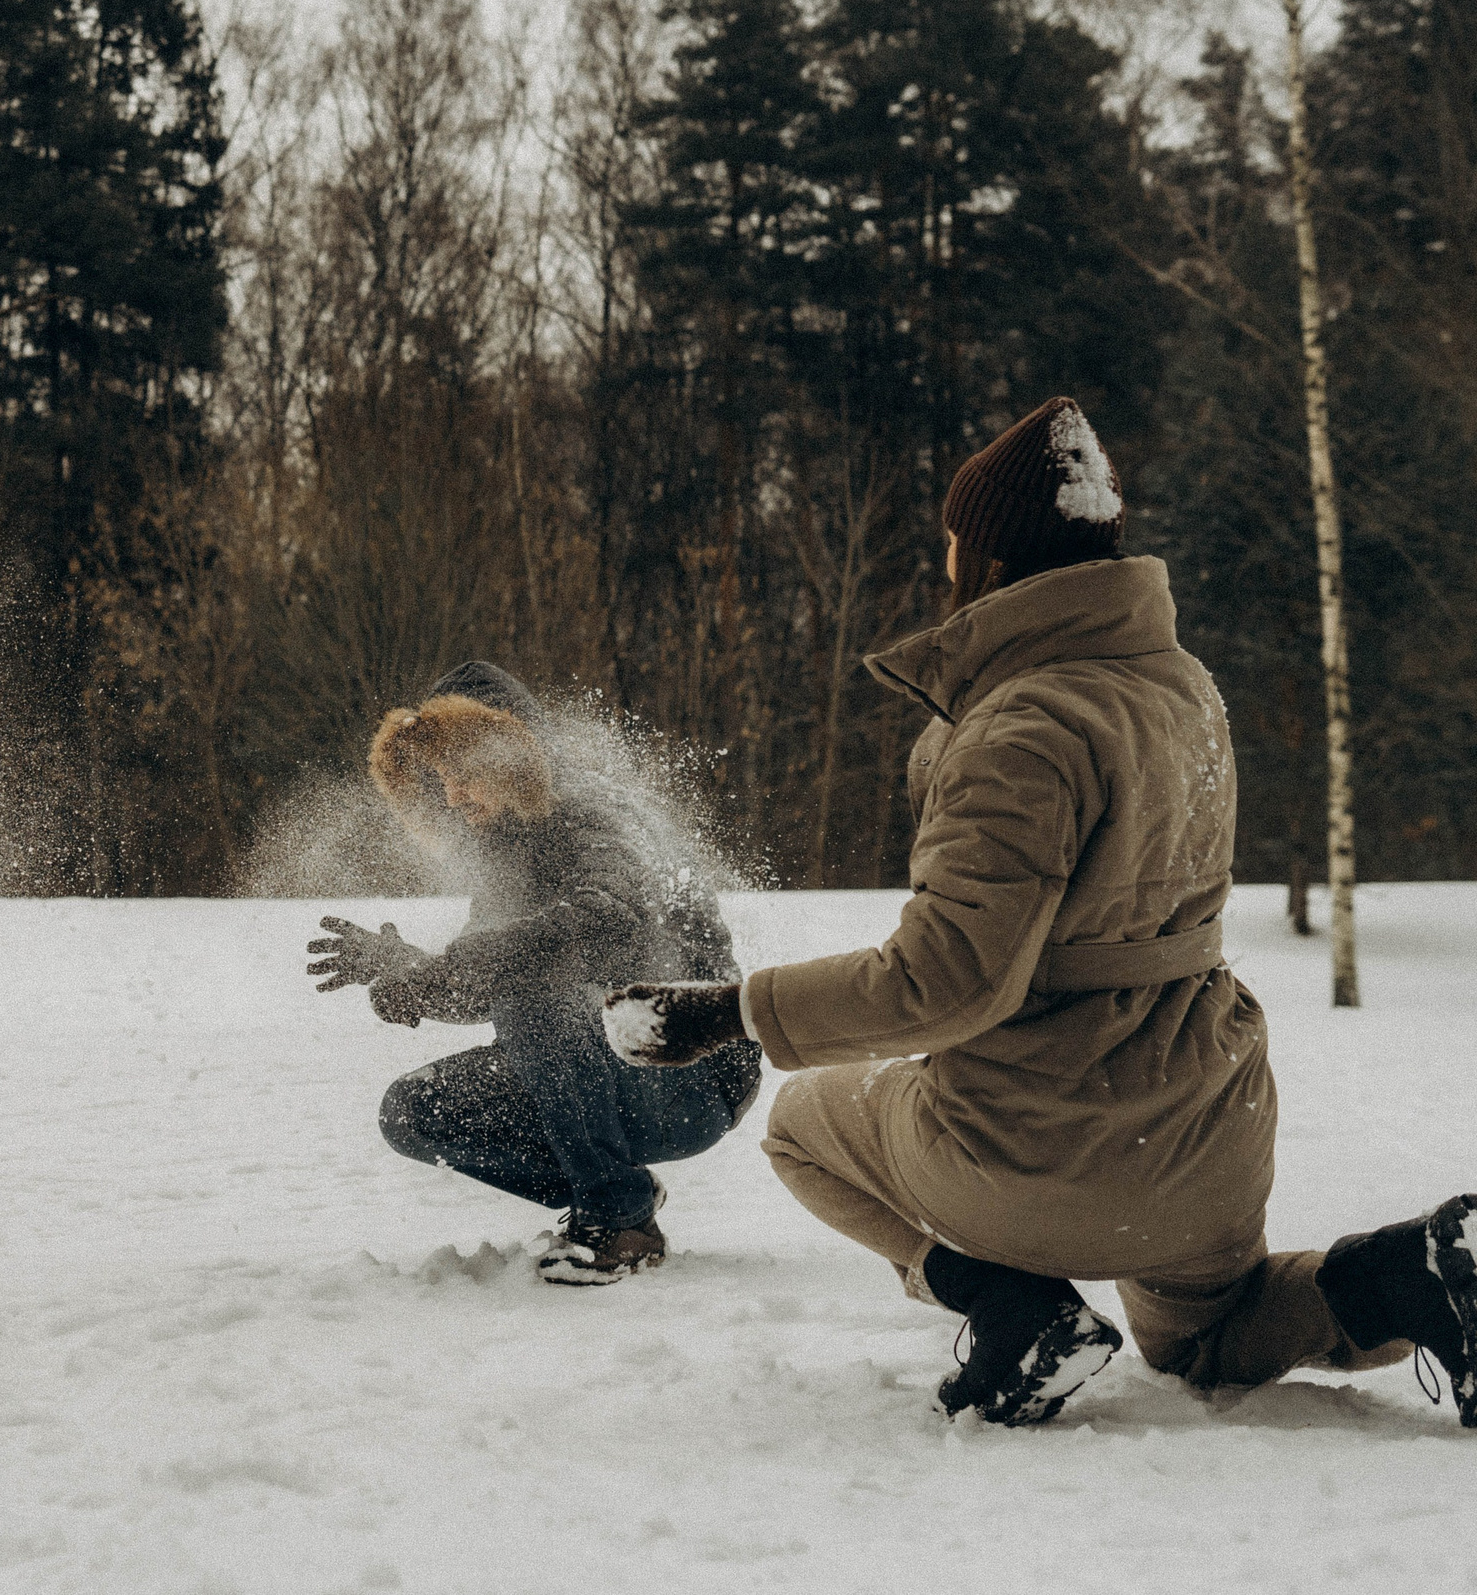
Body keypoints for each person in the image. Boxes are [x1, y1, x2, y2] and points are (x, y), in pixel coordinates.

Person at [610, 396, 1477, 1427]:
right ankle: (1408, 1276)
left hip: (1037, 1147)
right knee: (1208, 1340)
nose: (941, 563)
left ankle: (1010, 1309)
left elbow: (946, 982)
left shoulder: (1020, 727)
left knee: (803, 1123)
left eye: (951, 542)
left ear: (987, 559)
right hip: (1204, 1130)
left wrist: (731, 1012)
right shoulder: (1182, 684)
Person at [309, 662, 761, 1285]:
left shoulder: (590, 811)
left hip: (693, 1075)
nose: (452, 795)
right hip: (597, 1069)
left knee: (530, 994)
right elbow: (481, 982)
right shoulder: (505, 847)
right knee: (411, 1111)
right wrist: (408, 969)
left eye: (465, 774)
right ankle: (613, 1183)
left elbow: (617, 913)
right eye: (442, 778)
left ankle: (618, 1218)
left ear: (511, 756)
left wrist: (488, 953)